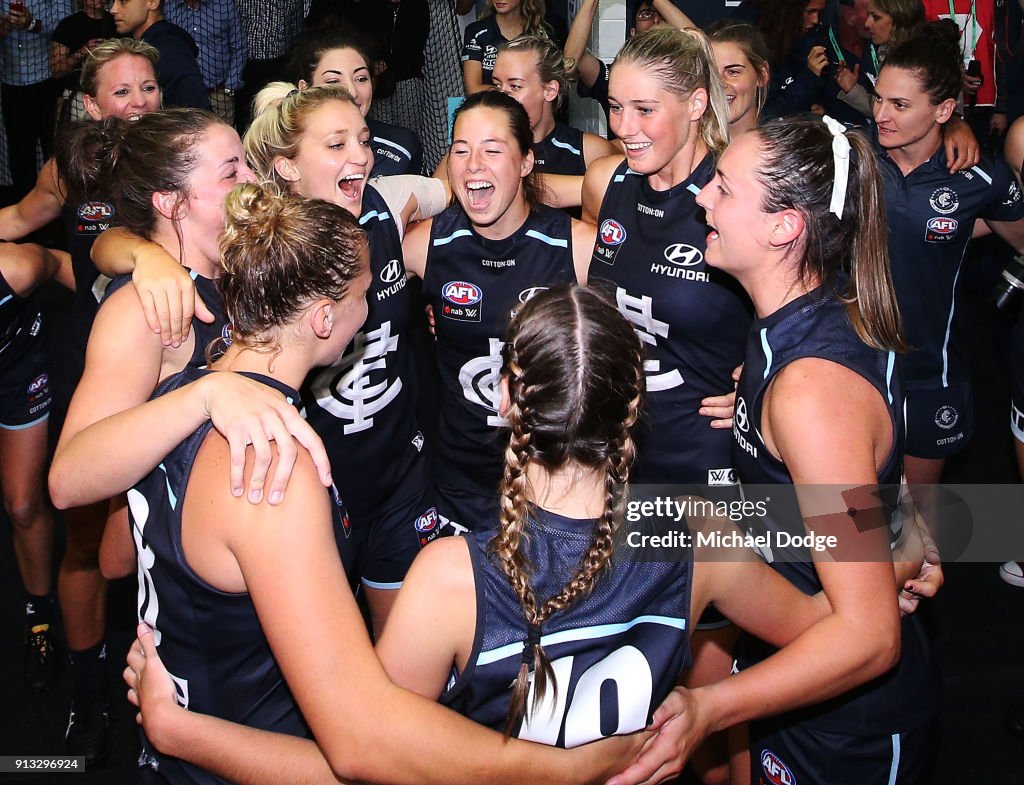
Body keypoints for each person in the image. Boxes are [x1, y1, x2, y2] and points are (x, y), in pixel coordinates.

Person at [119, 283, 935, 785]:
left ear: (505, 402)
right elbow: (833, 617)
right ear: (634, 409)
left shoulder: (449, 579)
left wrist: (181, 729)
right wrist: (896, 531)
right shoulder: (697, 533)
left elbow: (356, 760)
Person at [96, 184, 648, 785]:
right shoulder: (273, 466)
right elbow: (360, 748)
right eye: (365, 293)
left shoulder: (182, 394)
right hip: (240, 759)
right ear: (325, 318)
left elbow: (117, 554)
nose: (374, 306)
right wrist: (560, 773)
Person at [92, 82, 448, 636]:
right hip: (294, 481)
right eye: (335, 144)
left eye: (364, 139)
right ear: (287, 168)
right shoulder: (259, 244)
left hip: (393, 471)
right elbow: (109, 241)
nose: (359, 155)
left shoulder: (376, 204)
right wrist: (143, 255)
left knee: (394, 646)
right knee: (313, 655)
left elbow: (442, 191)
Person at [695, 113, 941, 785]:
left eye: (722, 188)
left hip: (848, 726)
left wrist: (706, 709)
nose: (702, 199)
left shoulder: (808, 391)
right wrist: (902, 543)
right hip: (795, 665)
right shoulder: (802, 317)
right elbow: (870, 488)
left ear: (784, 227)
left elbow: (868, 637)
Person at [48, 107, 255, 762]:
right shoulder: (143, 310)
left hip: (244, 592)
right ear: (171, 200)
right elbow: (67, 477)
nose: (253, 178)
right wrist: (204, 394)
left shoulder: (234, 269)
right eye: (233, 171)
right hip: (193, 626)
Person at [580, 26, 749, 784]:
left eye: (646, 110)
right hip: (627, 457)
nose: (625, 128)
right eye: (615, 108)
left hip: (706, 466)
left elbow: (823, 304)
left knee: (712, 674)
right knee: (643, 662)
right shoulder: (618, 183)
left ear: (697, 106)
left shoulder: (733, 193)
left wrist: (767, 384)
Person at [0, 37, 162, 763]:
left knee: (166, 539)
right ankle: (92, 696)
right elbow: (21, 224)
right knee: (88, 542)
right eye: (121, 92)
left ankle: (172, 684)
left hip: (172, 374)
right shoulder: (69, 167)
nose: (138, 103)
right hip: (90, 373)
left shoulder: (186, 158)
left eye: (148, 87)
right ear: (91, 104)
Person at [403, 89, 595, 534]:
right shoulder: (423, 244)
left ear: (527, 162)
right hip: (457, 482)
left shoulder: (578, 246)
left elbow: (650, 332)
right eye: (461, 150)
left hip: (554, 483)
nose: (474, 166)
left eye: (492, 150)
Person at [873, 22, 1024, 487]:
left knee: (919, 517)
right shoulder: (852, 157)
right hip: (853, 362)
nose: (881, 113)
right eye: (878, 98)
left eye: (899, 105)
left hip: (929, 373)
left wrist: (953, 229)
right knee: (856, 511)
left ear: (943, 109)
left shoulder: (979, 178)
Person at [0, 241, 72, 693]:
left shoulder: (15, 268)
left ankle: (39, 615)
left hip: (17, 369)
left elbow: (63, 262)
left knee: (24, 504)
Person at [289, 26, 423, 177]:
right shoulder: (284, 148)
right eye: (333, 81)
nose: (352, 92)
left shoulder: (401, 147)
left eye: (361, 79)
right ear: (305, 89)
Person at [491, 35, 616, 176]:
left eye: (515, 86)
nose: (501, 96)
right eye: (497, 85)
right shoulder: (484, 148)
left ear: (550, 91)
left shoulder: (589, 152)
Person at [563, 0, 693, 124]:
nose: (655, 20)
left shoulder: (687, 75)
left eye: (663, 15)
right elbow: (571, 61)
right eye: (646, 14)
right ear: (633, 33)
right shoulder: (615, 78)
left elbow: (700, 45)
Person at [0, 0, 73, 198]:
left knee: (53, 146)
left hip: (47, 79)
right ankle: (24, 209)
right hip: (10, 80)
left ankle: (58, 204)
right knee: (19, 150)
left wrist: (32, 24)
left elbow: (67, 25)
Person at [108, 0, 210, 110]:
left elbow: (196, 109)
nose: (113, 9)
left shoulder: (168, 47)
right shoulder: (157, 42)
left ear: (152, 2)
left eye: (123, 1)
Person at [833, 0, 924, 119]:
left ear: (899, 19)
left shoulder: (925, 63)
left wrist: (853, 91)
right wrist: (852, 89)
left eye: (876, 17)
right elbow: (885, 111)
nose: (867, 24)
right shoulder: (880, 51)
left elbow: (893, 116)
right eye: (868, 15)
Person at [164, 0, 246, 125]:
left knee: (222, 141)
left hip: (218, 94)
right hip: (183, 95)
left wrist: (229, 87)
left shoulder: (224, 5)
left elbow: (239, 47)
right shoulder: (169, 7)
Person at [462, 0, 550, 95]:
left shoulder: (541, 33)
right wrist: (515, 90)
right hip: (490, 106)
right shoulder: (476, 32)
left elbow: (546, 85)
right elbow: (473, 89)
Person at [50, 0, 115, 126]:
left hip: (113, 92)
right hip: (80, 97)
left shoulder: (117, 21)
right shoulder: (68, 25)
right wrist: (82, 52)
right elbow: (56, 70)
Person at [707, 21, 774, 136]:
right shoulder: (683, 147)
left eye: (732, 72)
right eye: (711, 73)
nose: (719, 83)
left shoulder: (784, 148)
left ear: (762, 75)